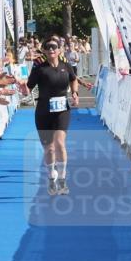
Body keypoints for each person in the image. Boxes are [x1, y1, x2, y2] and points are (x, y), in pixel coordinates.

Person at [27, 37, 79, 195]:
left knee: (59, 144)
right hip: (43, 111)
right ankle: (51, 178)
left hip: (62, 110)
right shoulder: (39, 69)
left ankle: (62, 180)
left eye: (54, 47)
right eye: (47, 47)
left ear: (59, 50)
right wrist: (23, 89)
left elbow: (74, 79)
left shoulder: (66, 66)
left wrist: (75, 93)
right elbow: (28, 87)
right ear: (43, 50)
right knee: (49, 149)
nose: (51, 49)